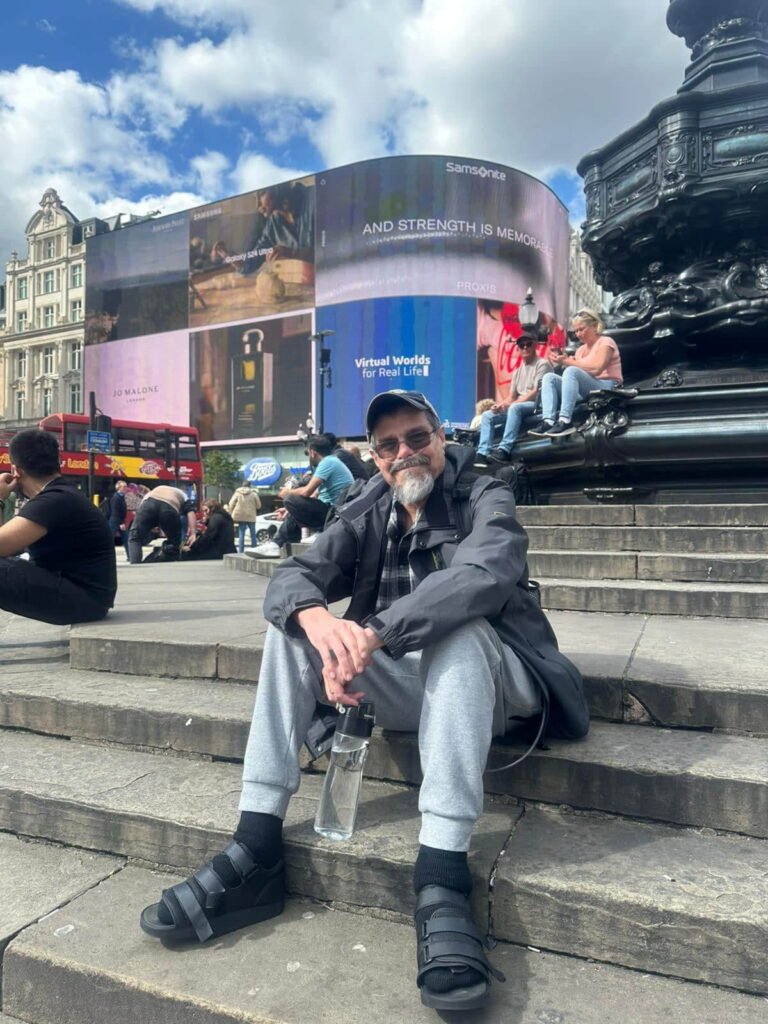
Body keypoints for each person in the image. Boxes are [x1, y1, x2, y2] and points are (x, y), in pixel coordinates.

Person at [139, 389, 588, 1013]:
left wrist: (374, 633)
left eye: (417, 438)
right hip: (408, 683)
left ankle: (442, 874)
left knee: (456, 627)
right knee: (291, 627)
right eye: (388, 446)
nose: (404, 454)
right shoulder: (368, 504)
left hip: (498, 680)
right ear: (375, 458)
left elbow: (483, 574)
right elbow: (295, 577)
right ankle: (256, 845)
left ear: (440, 438)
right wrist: (320, 623)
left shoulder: (486, 492)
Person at [0, 428, 117, 624]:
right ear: (58, 462)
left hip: (83, 600)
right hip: (84, 597)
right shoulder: (61, 494)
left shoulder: (54, 500)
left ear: (16, 471)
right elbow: (9, 546)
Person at [253, 435, 353, 557]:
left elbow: (306, 491)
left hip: (335, 513)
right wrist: (289, 509)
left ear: (312, 452)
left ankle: (320, 530)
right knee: (292, 505)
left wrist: (287, 492)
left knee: (290, 499)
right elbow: (314, 496)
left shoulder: (328, 462)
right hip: (332, 510)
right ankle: (276, 544)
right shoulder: (332, 462)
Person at [531, 309, 623, 437]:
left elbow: (597, 369)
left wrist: (569, 362)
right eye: (576, 331)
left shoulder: (606, 342)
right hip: (587, 390)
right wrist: (563, 361)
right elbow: (579, 371)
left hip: (608, 387)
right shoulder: (580, 350)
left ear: (595, 325)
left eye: (581, 329)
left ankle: (565, 420)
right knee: (549, 377)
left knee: (571, 370)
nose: (578, 334)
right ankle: (548, 421)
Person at [474, 335, 552, 465]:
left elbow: (535, 391)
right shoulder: (517, 371)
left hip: (537, 405)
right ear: (519, 348)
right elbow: (511, 397)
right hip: (519, 406)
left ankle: (504, 449)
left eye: (528, 344)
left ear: (535, 346)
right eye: (522, 345)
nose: (525, 347)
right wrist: (500, 406)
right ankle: (482, 453)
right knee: (488, 415)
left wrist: (514, 404)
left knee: (515, 408)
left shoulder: (542, 364)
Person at [127, 485, 197, 564]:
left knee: (134, 538)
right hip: (169, 507)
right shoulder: (183, 495)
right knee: (174, 543)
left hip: (147, 505)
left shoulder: (155, 490)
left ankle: (136, 565)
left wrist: (152, 526)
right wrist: (193, 533)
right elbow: (191, 512)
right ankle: (167, 560)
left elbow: (142, 511)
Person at [227, 480, 262, 552]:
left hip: (240, 516)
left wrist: (231, 511)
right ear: (250, 485)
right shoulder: (254, 494)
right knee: (253, 534)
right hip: (251, 515)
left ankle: (241, 551)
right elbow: (259, 506)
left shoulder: (237, 493)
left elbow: (231, 503)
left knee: (241, 533)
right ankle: (254, 550)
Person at [107, 480, 128, 546]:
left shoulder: (121, 497)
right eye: (124, 487)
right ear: (119, 488)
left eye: (126, 487)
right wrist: (121, 523)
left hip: (119, 521)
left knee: (126, 540)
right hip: (115, 521)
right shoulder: (116, 498)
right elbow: (115, 511)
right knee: (110, 539)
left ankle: (131, 556)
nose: (126, 488)